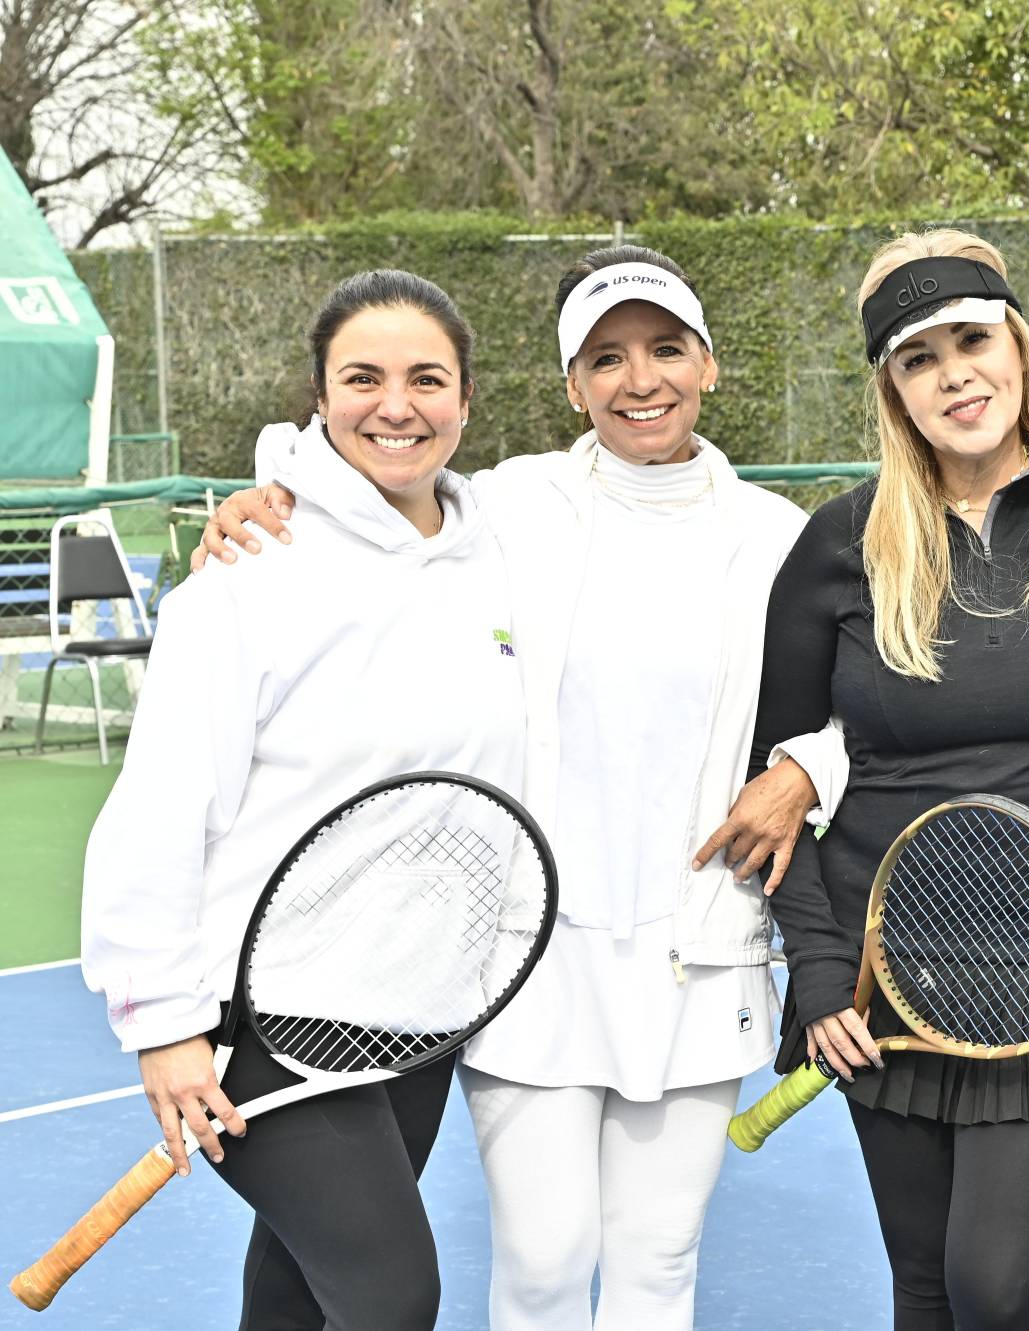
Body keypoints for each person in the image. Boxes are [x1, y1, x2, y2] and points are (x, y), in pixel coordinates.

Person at [192, 245, 849, 1331]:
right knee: (545, 1264)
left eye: (664, 350)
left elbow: (868, 697)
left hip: (704, 951)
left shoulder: (787, 539)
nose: (640, 380)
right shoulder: (507, 506)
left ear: (709, 364)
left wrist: (802, 768)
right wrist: (267, 487)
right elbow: (369, 475)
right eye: (606, 359)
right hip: (527, 958)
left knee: (658, 1257)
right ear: (570, 385)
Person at [751, 228, 1029, 1331]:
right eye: (916, 357)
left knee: (996, 1284)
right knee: (929, 1289)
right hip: (886, 972)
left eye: (970, 340)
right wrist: (817, 967)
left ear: (1018, 346)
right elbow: (777, 779)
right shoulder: (837, 545)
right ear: (892, 389)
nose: (954, 374)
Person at [81, 269, 520, 1329]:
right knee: (390, 1296)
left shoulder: (498, 553)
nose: (396, 404)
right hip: (266, 1020)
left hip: (415, 1013)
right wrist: (165, 1025)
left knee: (293, 1299)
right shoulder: (249, 572)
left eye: (427, 378)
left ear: (465, 399)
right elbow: (161, 805)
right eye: (361, 377)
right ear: (319, 399)